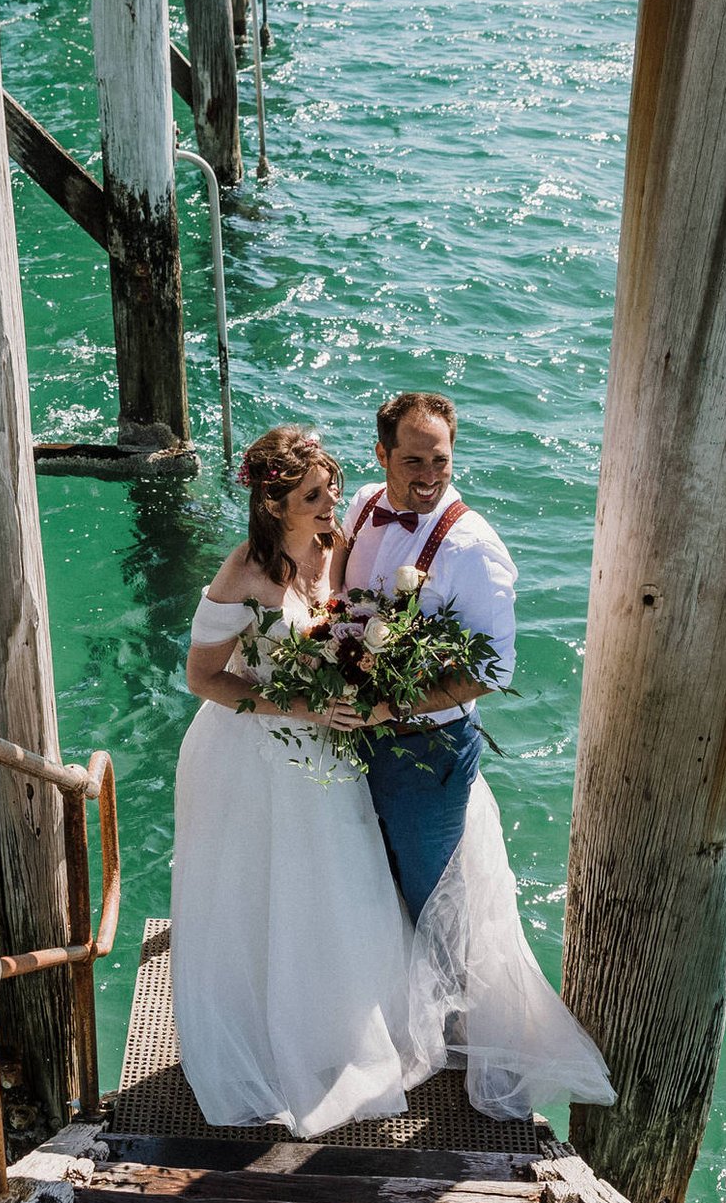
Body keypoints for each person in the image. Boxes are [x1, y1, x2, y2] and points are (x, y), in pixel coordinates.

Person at [170, 416, 611, 1136]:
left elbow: (348, 621)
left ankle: (341, 1025)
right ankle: (266, 1031)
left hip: (329, 752)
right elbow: (202, 677)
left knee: (340, 889)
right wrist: (304, 704)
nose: (330, 505)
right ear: (275, 504)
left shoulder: (329, 545)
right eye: (316, 494)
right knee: (265, 894)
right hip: (255, 752)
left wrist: (367, 669)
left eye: (332, 491)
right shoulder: (240, 577)